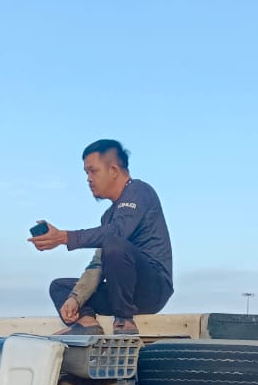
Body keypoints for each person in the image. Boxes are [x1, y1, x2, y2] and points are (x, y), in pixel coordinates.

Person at [29, 139, 173, 336]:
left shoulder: (139, 191)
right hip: (121, 291)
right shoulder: (108, 216)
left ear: (113, 170)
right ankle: (87, 324)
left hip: (152, 289)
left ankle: (124, 321)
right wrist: (76, 299)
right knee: (60, 287)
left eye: (93, 171)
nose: (88, 179)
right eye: (86, 173)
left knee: (114, 243)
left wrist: (65, 237)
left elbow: (116, 235)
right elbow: (99, 263)